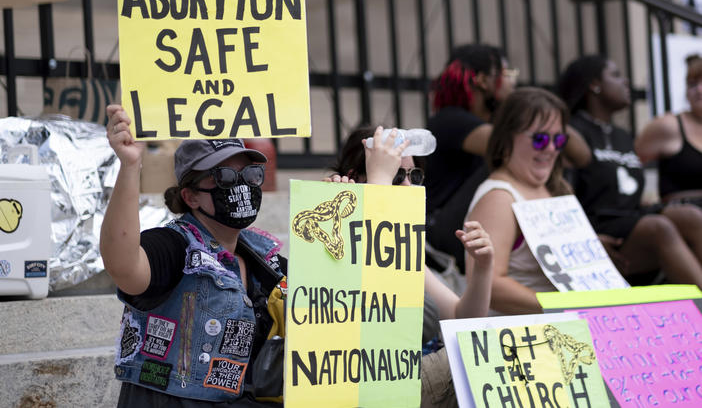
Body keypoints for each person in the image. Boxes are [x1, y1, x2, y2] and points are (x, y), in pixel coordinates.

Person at [101, 105, 286, 407]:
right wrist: (131, 166)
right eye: (223, 177)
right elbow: (122, 265)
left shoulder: (265, 258)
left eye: (250, 174)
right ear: (191, 196)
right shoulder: (174, 245)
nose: (240, 184)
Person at [328, 125, 495, 408]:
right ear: (356, 179)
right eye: (395, 176)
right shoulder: (334, 231)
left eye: (414, 176)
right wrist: (377, 185)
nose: (408, 187)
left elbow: (461, 320)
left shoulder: (402, 245)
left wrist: (482, 268)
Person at [425, 44, 589, 272]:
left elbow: (582, 156)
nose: (513, 82)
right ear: (483, 81)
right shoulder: (450, 120)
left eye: (557, 140)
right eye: (507, 74)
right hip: (442, 233)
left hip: (472, 224)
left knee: (545, 167)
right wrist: (530, 110)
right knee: (519, 158)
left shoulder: (496, 124)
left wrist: (547, 119)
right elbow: (512, 146)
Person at [558, 55, 702, 288]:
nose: (626, 81)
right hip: (597, 228)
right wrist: (584, 238)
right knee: (658, 227)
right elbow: (559, 192)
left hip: (631, 221)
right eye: (615, 75)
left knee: (690, 216)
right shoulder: (571, 132)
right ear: (594, 85)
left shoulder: (623, 136)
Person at [466, 88, 571, 315]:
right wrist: (566, 306)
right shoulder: (499, 198)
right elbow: (488, 286)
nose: (551, 148)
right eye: (540, 139)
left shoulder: (557, 189)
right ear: (507, 138)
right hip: (521, 339)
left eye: (559, 139)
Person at [635, 54, 702, 206]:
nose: (699, 90)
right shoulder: (668, 126)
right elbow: (626, 163)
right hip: (682, 215)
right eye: (692, 84)